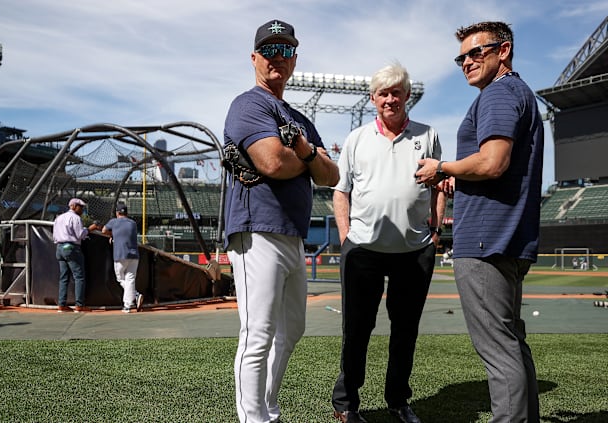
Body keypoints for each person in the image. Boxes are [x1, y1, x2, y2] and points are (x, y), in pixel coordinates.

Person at [415, 21, 543, 422]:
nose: (466, 62)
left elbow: (492, 163)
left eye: (476, 53)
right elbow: (493, 166)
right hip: (506, 237)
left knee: (498, 351)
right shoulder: (517, 92)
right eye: (461, 57)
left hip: (488, 241)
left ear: (502, 51)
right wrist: (460, 175)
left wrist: (442, 167)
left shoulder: (499, 94)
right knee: (510, 342)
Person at [223, 19, 339, 423]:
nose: (278, 57)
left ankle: (268, 409)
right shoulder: (249, 104)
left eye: (286, 50)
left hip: (292, 234)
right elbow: (272, 160)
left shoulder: (301, 120)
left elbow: (332, 175)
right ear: (255, 57)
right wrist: (308, 159)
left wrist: (304, 154)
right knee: (257, 335)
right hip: (257, 230)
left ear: (294, 60)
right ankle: (253, 419)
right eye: (270, 49)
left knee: (292, 331)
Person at [330, 62, 446, 423]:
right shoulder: (356, 139)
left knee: (405, 330)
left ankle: (398, 400)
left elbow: (439, 186)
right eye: (384, 93)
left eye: (397, 92)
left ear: (407, 95)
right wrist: (346, 235)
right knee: (357, 330)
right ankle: (347, 404)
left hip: (414, 251)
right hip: (362, 250)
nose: (390, 99)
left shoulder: (427, 135)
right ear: (373, 98)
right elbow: (341, 192)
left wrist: (436, 230)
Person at [53, 198, 100, 313]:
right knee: (79, 277)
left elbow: (54, 235)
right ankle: (79, 305)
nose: (82, 209)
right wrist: (90, 229)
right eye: (80, 207)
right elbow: (80, 235)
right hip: (71, 247)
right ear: (73, 206)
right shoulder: (75, 218)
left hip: (60, 247)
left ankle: (62, 304)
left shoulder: (59, 218)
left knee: (64, 277)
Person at [102, 202, 143, 313]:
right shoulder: (133, 223)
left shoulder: (114, 222)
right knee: (130, 279)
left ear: (117, 213)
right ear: (127, 213)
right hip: (134, 255)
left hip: (120, 254)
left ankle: (134, 296)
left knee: (120, 278)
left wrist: (112, 235)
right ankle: (128, 304)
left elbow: (104, 230)